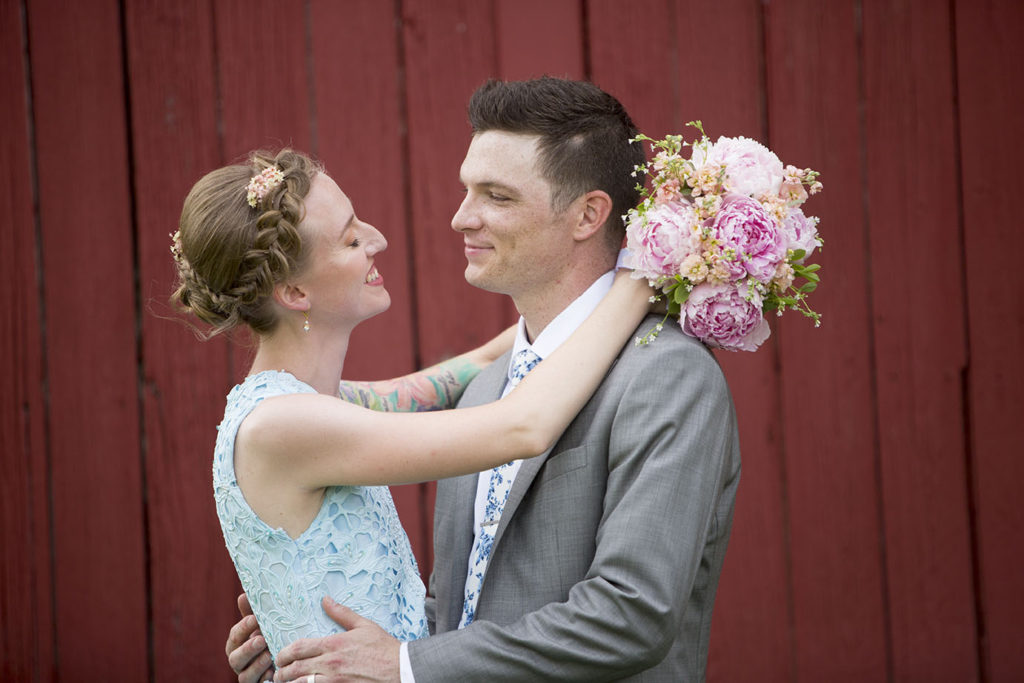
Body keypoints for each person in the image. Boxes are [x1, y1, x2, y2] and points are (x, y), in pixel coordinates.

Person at [228, 77, 741, 683]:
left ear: (588, 215)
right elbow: (461, 611)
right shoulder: (487, 390)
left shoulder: (666, 375)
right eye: (466, 190)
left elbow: (631, 616)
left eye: (496, 196)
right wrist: (317, 637)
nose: (460, 217)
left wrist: (403, 663)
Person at [172, 148, 653, 663]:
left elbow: (447, 380)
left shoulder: (311, 405)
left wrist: (562, 306)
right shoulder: (286, 425)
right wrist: (647, 269)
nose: (377, 240)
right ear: (294, 292)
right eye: (351, 238)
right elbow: (522, 429)